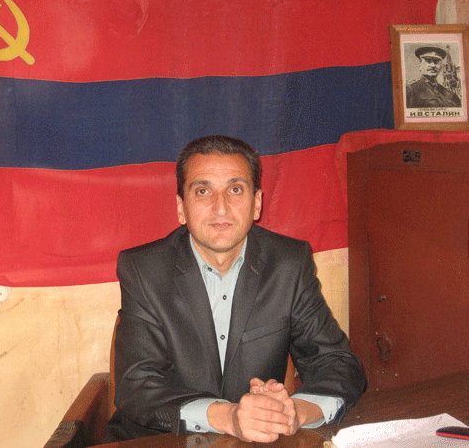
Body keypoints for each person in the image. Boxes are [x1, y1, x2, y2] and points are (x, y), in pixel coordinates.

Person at [105, 135, 366, 443]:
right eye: (203, 191)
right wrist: (228, 416)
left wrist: (294, 412)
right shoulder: (144, 269)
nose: (221, 208)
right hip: (162, 441)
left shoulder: (289, 264)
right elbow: (136, 385)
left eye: (235, 189)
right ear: (181, 208)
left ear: (257, 203)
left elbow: (338, 364)